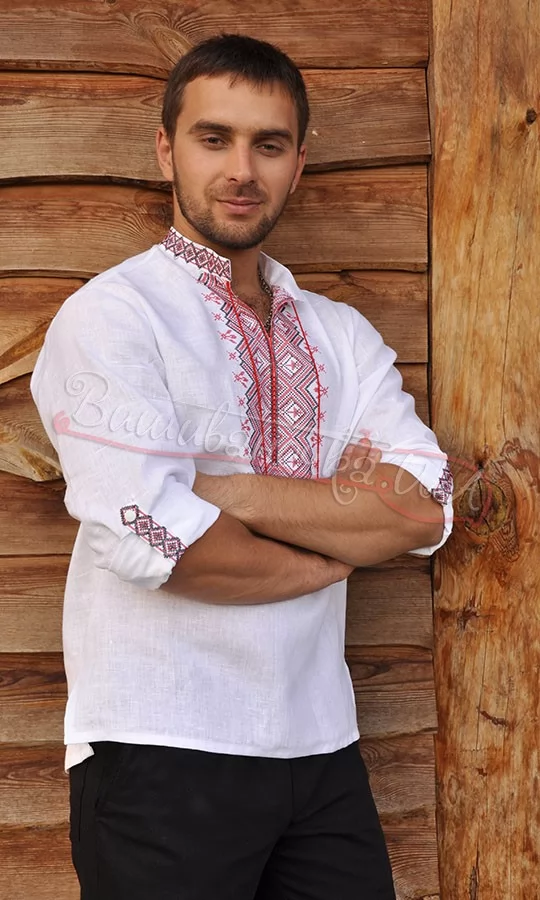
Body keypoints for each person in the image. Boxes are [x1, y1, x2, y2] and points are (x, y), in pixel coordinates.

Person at [31, 33, 453, 900]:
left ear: (299, 163)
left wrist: (227, 492)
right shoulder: (114, 318)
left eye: (268, 144)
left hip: (321, 746)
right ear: (167, 150)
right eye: (213, 138)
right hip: (160, 742)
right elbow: (157, 543)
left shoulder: (341, 336)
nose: (240, 170)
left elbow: (424, 508)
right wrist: (337, 542)